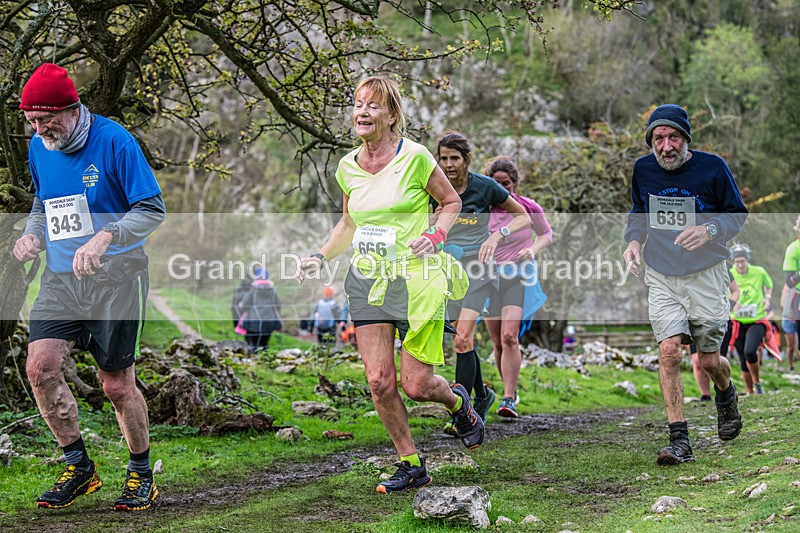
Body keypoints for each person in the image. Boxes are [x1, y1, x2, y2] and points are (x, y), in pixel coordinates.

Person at [296, 76, 484, 494]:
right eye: (358, 104)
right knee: (379, 381)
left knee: (416, 386)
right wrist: (318, 256)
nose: (362, 112)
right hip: (366, 280)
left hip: (415, 281)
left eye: (373, 106)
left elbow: (451, 202)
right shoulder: (347, 165)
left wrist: (435, 236)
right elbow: (349, 222)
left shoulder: (415, 157)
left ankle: (459, 403)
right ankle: (411, 463)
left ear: (392, 115)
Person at [12, 64, 164, 510]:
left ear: (73, 109)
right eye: (32, 122)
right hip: (61, 277)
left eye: (48, 120)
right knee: (39, 368)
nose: (40, 130)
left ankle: (139, 474)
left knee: (115, 384)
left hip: (118, 277)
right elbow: (44, 202)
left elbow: (151, 209)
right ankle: (79, 466)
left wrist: (106, 235)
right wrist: (33, 234)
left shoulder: (115, 140)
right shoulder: (40, 147)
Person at [623, 104, 747, 465]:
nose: (666, 146)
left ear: (686, 139)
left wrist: (710, 230)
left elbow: (737, 215)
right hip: (661, 273)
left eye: (673, 137)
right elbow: (638, 212)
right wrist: (633, 241)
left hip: (706, 273)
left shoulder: (712, 168)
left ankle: (725, 393)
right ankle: (679, 440)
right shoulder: (643, 169)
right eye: (658, 139)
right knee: (669, 352)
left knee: (709, 360)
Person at [431, 133, 530, 423]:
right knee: (461, 341)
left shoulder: (484, 187)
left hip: (480, 270)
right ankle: (482, 395)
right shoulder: (433, 187)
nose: (448, 165)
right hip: (447, 272)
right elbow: (416, 225)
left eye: (454, 158)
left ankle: (462, 414)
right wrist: (432, 221)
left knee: (462, 339)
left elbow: (522, 215)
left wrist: (499, 235)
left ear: (467, 160)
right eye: (444, 158)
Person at [483, 157, 552, 418]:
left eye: (507, 185)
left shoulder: (527, 207)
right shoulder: (481, 207)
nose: (502, 190)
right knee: (497, 343)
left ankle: (509, 398)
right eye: (496, 184)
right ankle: (508, 389)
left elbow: (546, 234)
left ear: (515, 184)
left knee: (510, 336)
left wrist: (532, 249)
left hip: (516, 276)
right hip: (488, 278)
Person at [728, 244, 773, 394]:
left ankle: (757, 382)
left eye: (742, 261)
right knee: (742, 358)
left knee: (750, 352)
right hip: (738, 321)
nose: (740, 265)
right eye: (737, 262)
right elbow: (722, 291)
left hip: (757, 319)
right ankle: (750, 392)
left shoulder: (759, 272)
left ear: (747, 260)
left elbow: (769, 285)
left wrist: (767, 298)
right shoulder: (729, 274)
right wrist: (733, 302)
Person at [689, 274, 740, 402]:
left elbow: (735, 291)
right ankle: (705, 395)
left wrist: (730, 305)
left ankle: (725, 389)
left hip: (718, 318)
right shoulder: (685, 265)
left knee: (714, 361)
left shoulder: (719, 262)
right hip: (694, 318)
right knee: (696, 360)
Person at [237, 268, 282, 350]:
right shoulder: (273, 291)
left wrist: (241, 306)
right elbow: (278, 304)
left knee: (254, 344)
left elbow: (244, 304)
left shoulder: (253, 290)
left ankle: (254, 360)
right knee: (264, 343)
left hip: (253, 322)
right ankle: (265, 359)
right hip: (269, 322)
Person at [782, 215, 800, 372]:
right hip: (797, 298)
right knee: (792, 344)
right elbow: (789, 281)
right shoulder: (793, 249)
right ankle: (791, 366)